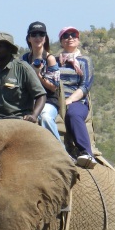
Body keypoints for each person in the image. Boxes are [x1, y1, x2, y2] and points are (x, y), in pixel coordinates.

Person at [57, 26, 96, 168]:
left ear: (78, 40)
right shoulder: (54, 61)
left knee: (73, 115)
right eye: (66, 36)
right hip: (56, 100)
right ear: (61, 41)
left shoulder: (85, 61)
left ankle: (86, 152)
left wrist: (69, 100)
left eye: (73, 35)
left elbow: (85, 86)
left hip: (77, 101)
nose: (70, 38)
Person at [20, 21, 62, 142]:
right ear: (29, 38)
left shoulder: (50, 59)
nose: (38, 38)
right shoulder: (24, 59)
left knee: (45, 118)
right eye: (34, 34)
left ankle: (60, 150)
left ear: (45, 38)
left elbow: (54, 87)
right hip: (28, 100)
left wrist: (37, 74)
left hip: (48, 100)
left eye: (41, 34)